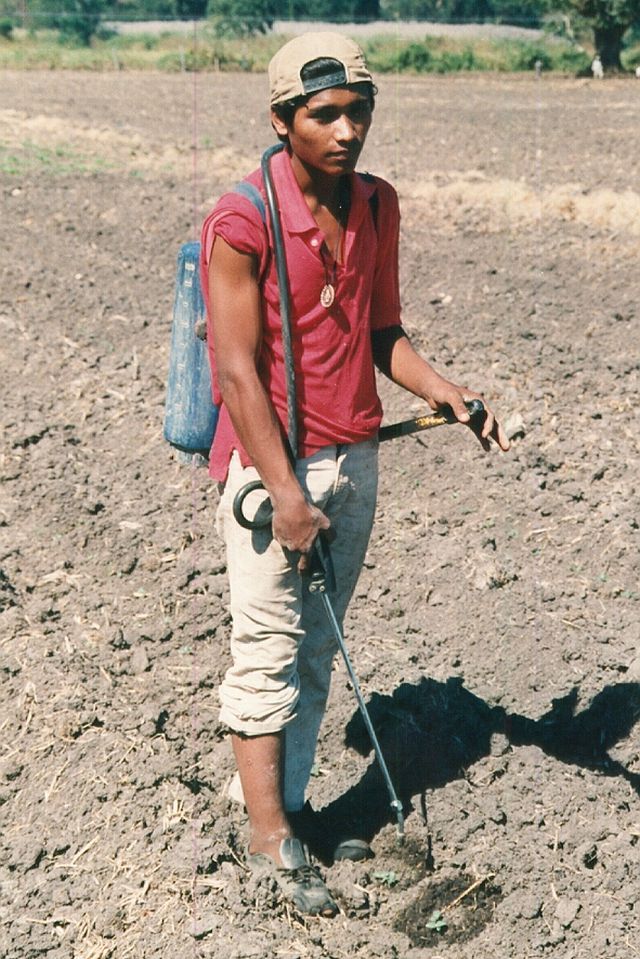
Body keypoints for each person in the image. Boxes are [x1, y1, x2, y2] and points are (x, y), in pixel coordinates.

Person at [200, 32, 510, 917]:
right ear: (282, 121)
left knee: (316, 644)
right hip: (272, 468)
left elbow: (382, 331)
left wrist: (444, 390)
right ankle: (268, 837)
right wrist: (285, 493)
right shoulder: (241, 221)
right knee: (267, 646)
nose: (346, 130)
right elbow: (236, 371)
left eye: (359, 111)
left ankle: (294, 804)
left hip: (356, 455)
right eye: (325, 114)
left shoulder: (376, 205)